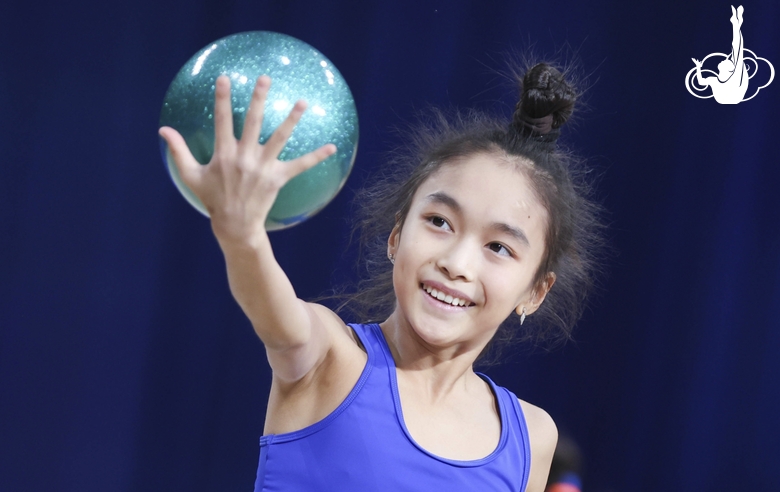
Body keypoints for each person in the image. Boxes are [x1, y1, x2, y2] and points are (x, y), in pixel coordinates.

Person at [159, 61, 602, 491]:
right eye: (440, 222)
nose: (457, 263)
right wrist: (242, 236)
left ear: (536, 291)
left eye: (499, 248)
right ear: (396, 236)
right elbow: (276, 315)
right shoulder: (329, 358)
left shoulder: (533, 437)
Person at [692, 5, 748, 104]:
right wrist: (698, 67)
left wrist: (698, 68)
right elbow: (701, 82)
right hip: (729, 97)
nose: (724, 59)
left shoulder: (731, 78)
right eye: (728, 61)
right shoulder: (715, 80)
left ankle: (736, 24)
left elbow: (738, 49)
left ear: (729, 69)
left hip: (732, 95)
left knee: (737, 51)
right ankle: (736, 24)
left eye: (727, 61)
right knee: (737, 52)